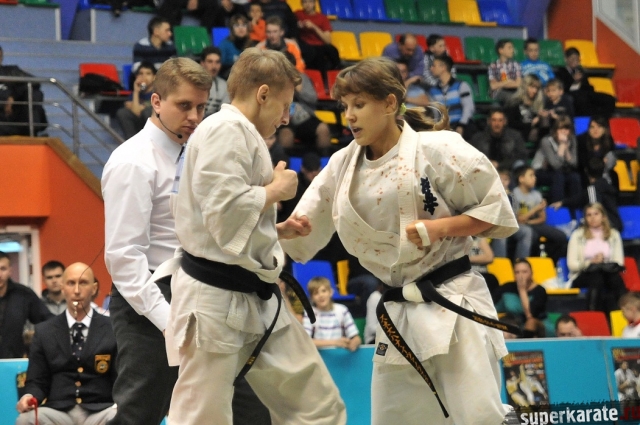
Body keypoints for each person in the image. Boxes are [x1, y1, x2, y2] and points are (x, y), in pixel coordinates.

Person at [279, 56, 520, 425]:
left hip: (452, 299)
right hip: (397, 310)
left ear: (390, 103)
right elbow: (301, 229)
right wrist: (274, 222)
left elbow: (497, 212)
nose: (350, 116)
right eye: (345, 106)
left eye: (360, 104)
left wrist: (440, 228)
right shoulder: (341, 165)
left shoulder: (439, 149)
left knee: (478, 418)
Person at [166, 48, 346, 424]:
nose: (286, 118)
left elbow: (216, 222)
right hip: (215, 297)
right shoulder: (224, 130)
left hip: (257, 295)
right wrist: (275, 190)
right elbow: (223, 213)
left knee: (317, 406)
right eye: (285, 105)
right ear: (263, 94)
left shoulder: (240, 133)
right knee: (203, 417)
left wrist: (273, 231)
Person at [102, 58, 212, 425]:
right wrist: (167, 320)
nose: (194, 116)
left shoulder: (196, 155)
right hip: (148, 300)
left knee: (233, 408)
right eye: (185, 105)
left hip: (199, 290)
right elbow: (123, 258)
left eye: (201, 107)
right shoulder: (132, 161)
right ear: (157, 101)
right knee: (140, 415)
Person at [15, 263, 118, 425]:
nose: (77, 290)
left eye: (83, 283)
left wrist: (120, 404)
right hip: (58, 411)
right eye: (71, 283)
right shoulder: (44, 331)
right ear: (63, 288)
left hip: (100, 410)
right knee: (25, 420)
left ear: (94, 288)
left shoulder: (112, 328)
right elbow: (37, 380)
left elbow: (121, 377)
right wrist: (28, 397)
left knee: (123, 417)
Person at [567, 203, 627, 316]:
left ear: (603, 216)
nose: (592, 218)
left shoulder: (614, 234)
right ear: (585, 218)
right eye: (589, 215)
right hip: (583, 274)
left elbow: (619, 263)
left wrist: (603, 262)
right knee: (596, 277)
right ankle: (593, 316)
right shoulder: (577, 235)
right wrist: (590, 262)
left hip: (607, 273)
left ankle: (624, 314)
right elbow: (572, 264)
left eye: (596, 214)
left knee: (615, 278)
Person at [0, 251, 52, 359]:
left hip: (13, 361)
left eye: (3, 269)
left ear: (10, 271)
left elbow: (47, 321)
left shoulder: (23, 294)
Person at [512, 165, 568, 263]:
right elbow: (519, 220)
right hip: (518, 227)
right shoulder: (514, 194)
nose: (535, 178)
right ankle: (521, 264)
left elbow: (542, 218)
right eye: (531, 175)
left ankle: (552, 263)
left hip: (533, 224)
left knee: (561, 236)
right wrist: (535, 209)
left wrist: (529, 222)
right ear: (521, 179)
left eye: (534, 175)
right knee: (531, 235)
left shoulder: (537, 194)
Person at [550, 157, 622, 232]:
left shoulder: (593, 189)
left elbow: (594, 211)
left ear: (586, 171)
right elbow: (580, 197)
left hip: (606, 228)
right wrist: (563, 202)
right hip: (616, 224)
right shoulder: (607, 186)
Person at [532, 114, 582, 203]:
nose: (564, 132)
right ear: (555, 130)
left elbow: (574, 163)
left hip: (562, 171)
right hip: (541, 171)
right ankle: (557, 205)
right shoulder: (546, 141)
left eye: (566, 129)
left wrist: (566, 150)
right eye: (560, 129)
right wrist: (562, 146)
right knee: (558, 177)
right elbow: (556, 165)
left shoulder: (572, 140)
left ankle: (575, 206)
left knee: (575, 177)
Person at [302, 277, 362, 351]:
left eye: (324, 291)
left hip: (338, 354)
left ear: (331, 292)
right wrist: (335, 342)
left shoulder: (342, 310)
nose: (321, 295)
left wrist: (354, 342)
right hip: (318, 355)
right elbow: (305, 341)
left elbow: (356, 337)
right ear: (312, 298)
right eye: (316, 293)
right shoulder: (309, 313)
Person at [0, 45, 48, 136]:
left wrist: (12, 97)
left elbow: (34, 82)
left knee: (35, 94)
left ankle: (32, 133)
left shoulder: (11, 71)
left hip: (14, 116)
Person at [554, 48, 615, 117]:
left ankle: (602, 119)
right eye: (572, 59)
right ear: (566, 59)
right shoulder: (561, 72)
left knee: (609, 99)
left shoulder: (580, 71)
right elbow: (562, 89)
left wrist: (583, 83)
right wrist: (573, 80)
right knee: (582, 100)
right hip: (572, 95)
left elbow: (588, 87)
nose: (575, 61)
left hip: (585, 93)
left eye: (577, 59)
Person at [495, 258, 548, 338]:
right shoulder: (507, 288)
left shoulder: (540, 291)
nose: (521, 275)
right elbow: (492, 304)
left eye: (524, 272)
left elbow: (529, 315)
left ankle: (524, 344)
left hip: (538, 325)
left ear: (531, 273)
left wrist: (522, 290)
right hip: (514, 323)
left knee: (531, 322)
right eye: (517, 272)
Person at [427, 54, 475, 139]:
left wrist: (461, 125)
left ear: (443, 67)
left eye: (434, 66)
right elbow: (436, 114)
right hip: (444, 128)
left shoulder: (461, 86)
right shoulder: (433, 91)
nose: (431, 68)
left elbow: (469, 107)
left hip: (461, 125)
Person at [492, 167, 533, 261]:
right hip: (494, 224)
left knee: (526, 231)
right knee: (502, 231)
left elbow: (515, 214)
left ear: (509, 182)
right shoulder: (490, 193)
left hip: (510, 224)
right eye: (500, 179)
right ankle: (501, 263)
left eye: (506, 179)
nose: (503, 182)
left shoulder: (512, 195)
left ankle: (521, 262)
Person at [294, 0, 341, 72]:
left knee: (332, 50)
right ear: (302, 4)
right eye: (305, 2)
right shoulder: (297, 14)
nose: (307, 4)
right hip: (304, 46)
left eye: (310, 2)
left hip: (319, 46)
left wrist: (314, 27)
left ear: (314, 3)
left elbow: (328, 40)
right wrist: (296, 25)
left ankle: (335, 71)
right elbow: (289, 27)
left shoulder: (322, 18)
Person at [115, 61, 157, 140]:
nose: (144, 77)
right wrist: (136, 91)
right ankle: (132, 143)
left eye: (148, 74)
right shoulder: (135, 93)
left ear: (154, 77)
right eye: (141, 74)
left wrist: (141, 107)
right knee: (122, 113)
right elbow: (136, 112)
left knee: (147, 112)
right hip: (139, 126)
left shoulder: (158, 93)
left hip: (155, 129)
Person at [576, 116, 617, 187]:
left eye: (599, 127)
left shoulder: (609, 140)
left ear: (604, 129)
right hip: (586, 172)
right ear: (588, 129)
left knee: (614, 175)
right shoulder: (581, 140)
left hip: (603, 171)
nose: (595, 130)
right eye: (592, 127)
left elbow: (612, 159)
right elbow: (581, 162)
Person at [504, 74, 544, 146]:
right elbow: (511, 123)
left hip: (535, 134)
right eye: (532, 87)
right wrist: (531, 123)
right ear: (525, 86)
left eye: (537, 88)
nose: (535, 91)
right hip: (518, 134)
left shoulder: (539, 104)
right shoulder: (514, 102)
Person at [488, 39, 522, 105]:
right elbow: (493, 86)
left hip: (514, 91)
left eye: (512, 48)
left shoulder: (516, 65)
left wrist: (500, 84)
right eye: (509, 48)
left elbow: (518, 84)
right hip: (499, 92)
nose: (512, 50)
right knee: (511, 98)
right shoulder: (493, 66)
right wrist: (508, 81)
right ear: (501, 50)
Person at [200, 47, 230, 117]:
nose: (214, 66)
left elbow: (224, 114)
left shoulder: (224, 86)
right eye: (210, 62)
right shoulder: (191, 83)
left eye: (217, 62)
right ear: (202, 63)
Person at [469, 237, 500, 302]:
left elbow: (489, 257)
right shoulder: (458, 240)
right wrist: (481, 258)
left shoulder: (479, 238)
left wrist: (467, 259)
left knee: (492, 279)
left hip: (483, 274)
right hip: (467, 273)